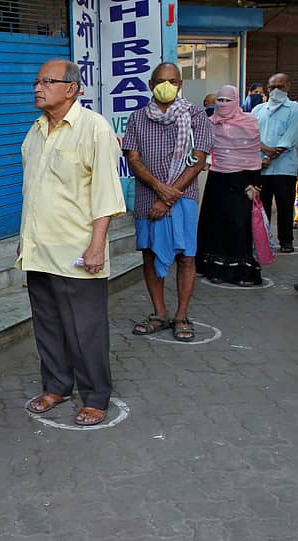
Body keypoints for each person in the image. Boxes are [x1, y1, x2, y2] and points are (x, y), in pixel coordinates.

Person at [18, 60, 126, 427]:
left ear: (72, 87)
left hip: (78, 252)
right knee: (47, 325)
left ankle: (96, 396)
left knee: (86, 329)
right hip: (39, 251)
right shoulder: (34, 132)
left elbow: (106, 193)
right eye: (36, 80)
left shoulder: (93, 129)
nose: (38, 87)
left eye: (47, 81)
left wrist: (97, 245)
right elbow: (33, 194)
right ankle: (58, 385)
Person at [123, 62, 213, 342]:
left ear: (180, 85)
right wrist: (160, 189)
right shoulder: (137, 117)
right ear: (151, 85)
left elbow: (199, 158)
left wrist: (171, 193)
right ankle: (159, 313)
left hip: (183, 196)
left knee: (186, 257)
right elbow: (132, 158)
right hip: (148, 197)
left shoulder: (195, 113)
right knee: (149, 254)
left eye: (173, 81)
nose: (167, 85)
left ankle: (182, 315)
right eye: (162, 81)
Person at [196, 85, 263, 286]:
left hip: (242, 182)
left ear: (236, 101)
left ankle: (241, 271)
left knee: (239, 226)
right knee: (215, 225)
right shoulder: (209, 123)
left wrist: (255, 184)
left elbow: (254, 154)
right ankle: (214, 269)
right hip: (217, 180)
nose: (223, 104)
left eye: (227, 100)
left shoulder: (249, 122)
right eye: (220, 100)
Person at [252, 73, 298, 253]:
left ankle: (286, 240)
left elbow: (290, 137)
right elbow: (251, 135)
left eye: (280, 86)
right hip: (260, 168)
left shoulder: (294, 109)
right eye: (272, 87)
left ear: (288, 87)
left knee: (285, 206)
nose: (276, 91)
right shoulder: (258, 110)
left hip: (284, 168)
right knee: (260, 207)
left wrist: (269, 157)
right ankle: (262, 240)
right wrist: (263, 151)